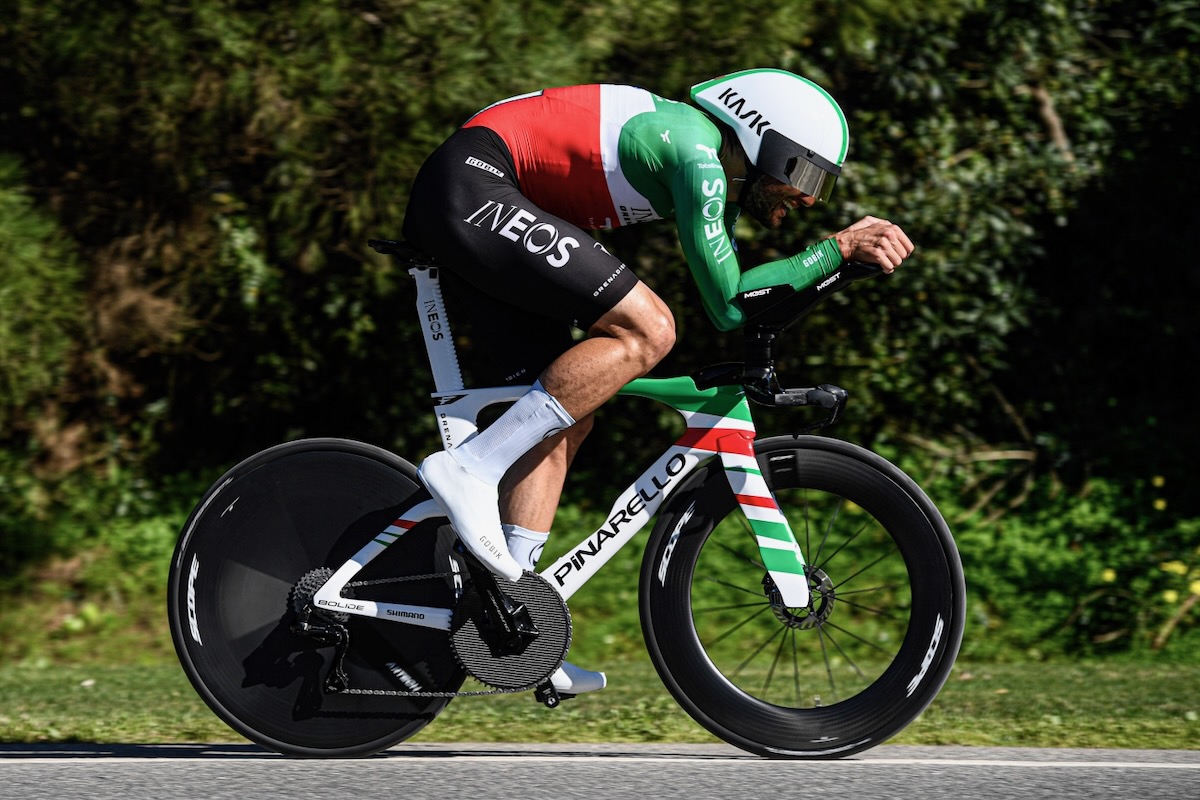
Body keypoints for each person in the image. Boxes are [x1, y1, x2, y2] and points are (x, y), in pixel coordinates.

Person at [401, 68, 914, 695]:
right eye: (804, 177)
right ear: (765, 139)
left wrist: (833, 267)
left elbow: (742, 306)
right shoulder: (695, 153)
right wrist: (833, 249)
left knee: (568, 409)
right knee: (650, 329)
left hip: (489, 192)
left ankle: (515, 614)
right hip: (473, 180)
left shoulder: (707, 168)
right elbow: (728, 303)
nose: (806, 201)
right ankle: (471, 468)